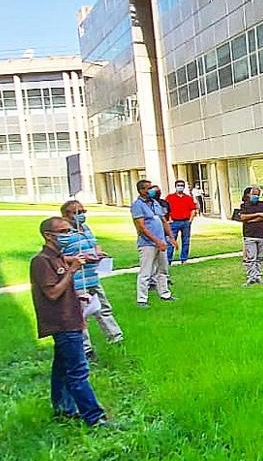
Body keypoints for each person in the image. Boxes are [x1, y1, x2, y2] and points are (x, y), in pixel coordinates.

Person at [30, 217, 110, 427]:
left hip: (72, 317)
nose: (69, 235)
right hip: (63, 323)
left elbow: (63, 286)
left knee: (62, 368)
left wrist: (77, 295)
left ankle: (63, 408)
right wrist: (72, 270)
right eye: (63, 232)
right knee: (78, 372)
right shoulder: (42, 261)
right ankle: (94, 417)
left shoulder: (58, 258)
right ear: (49, 235)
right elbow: (53, 292)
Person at [61, 200, 124, 353]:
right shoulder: (63, 233)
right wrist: (78, 258)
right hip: (77, 281)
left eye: (83, 212)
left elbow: (95, 244)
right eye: (77, 213)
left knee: (103, 308)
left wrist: (98, 253)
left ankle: (116, 337)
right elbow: (57, 257)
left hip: (92, 277)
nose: (82, 215)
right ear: (66, 215)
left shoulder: (85, 228)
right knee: (81, 315)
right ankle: (85, 349)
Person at [131, 179, 174, 306]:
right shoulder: (137, 205)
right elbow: (142, 227)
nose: (152, 190)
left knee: (163, 269)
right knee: (146, 272)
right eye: (148, 188)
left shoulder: (155, 203)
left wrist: (170, 237)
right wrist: (156, 241)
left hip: (161, 242)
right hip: (147, 244)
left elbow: (163, 221)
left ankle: (165, 293)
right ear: (142, 190)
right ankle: (142, 299)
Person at [237, 186, 263, 284]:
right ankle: (251, 276)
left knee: (260, 258)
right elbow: (243, 217)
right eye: (253, 194)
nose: (255, 196)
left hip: (262, 234)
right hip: (249, 235)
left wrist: (249, 220)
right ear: (249, 195)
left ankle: (258, 276)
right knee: (251, 257)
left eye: (257, 194)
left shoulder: (262, 204)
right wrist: (257, 215)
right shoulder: (244, 206)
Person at [166, 179, 198, 264]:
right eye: (178, 185)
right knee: (171, 241)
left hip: (185, 222)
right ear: (175, 186)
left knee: (186, 241)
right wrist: (169, 219)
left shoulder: (188, 198)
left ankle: (184, 259)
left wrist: (190, 221)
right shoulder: (170, 197)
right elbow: (166, 210)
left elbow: (193, 210)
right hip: (174, 222)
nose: (180, 187)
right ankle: (168, 260)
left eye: (182, 185)